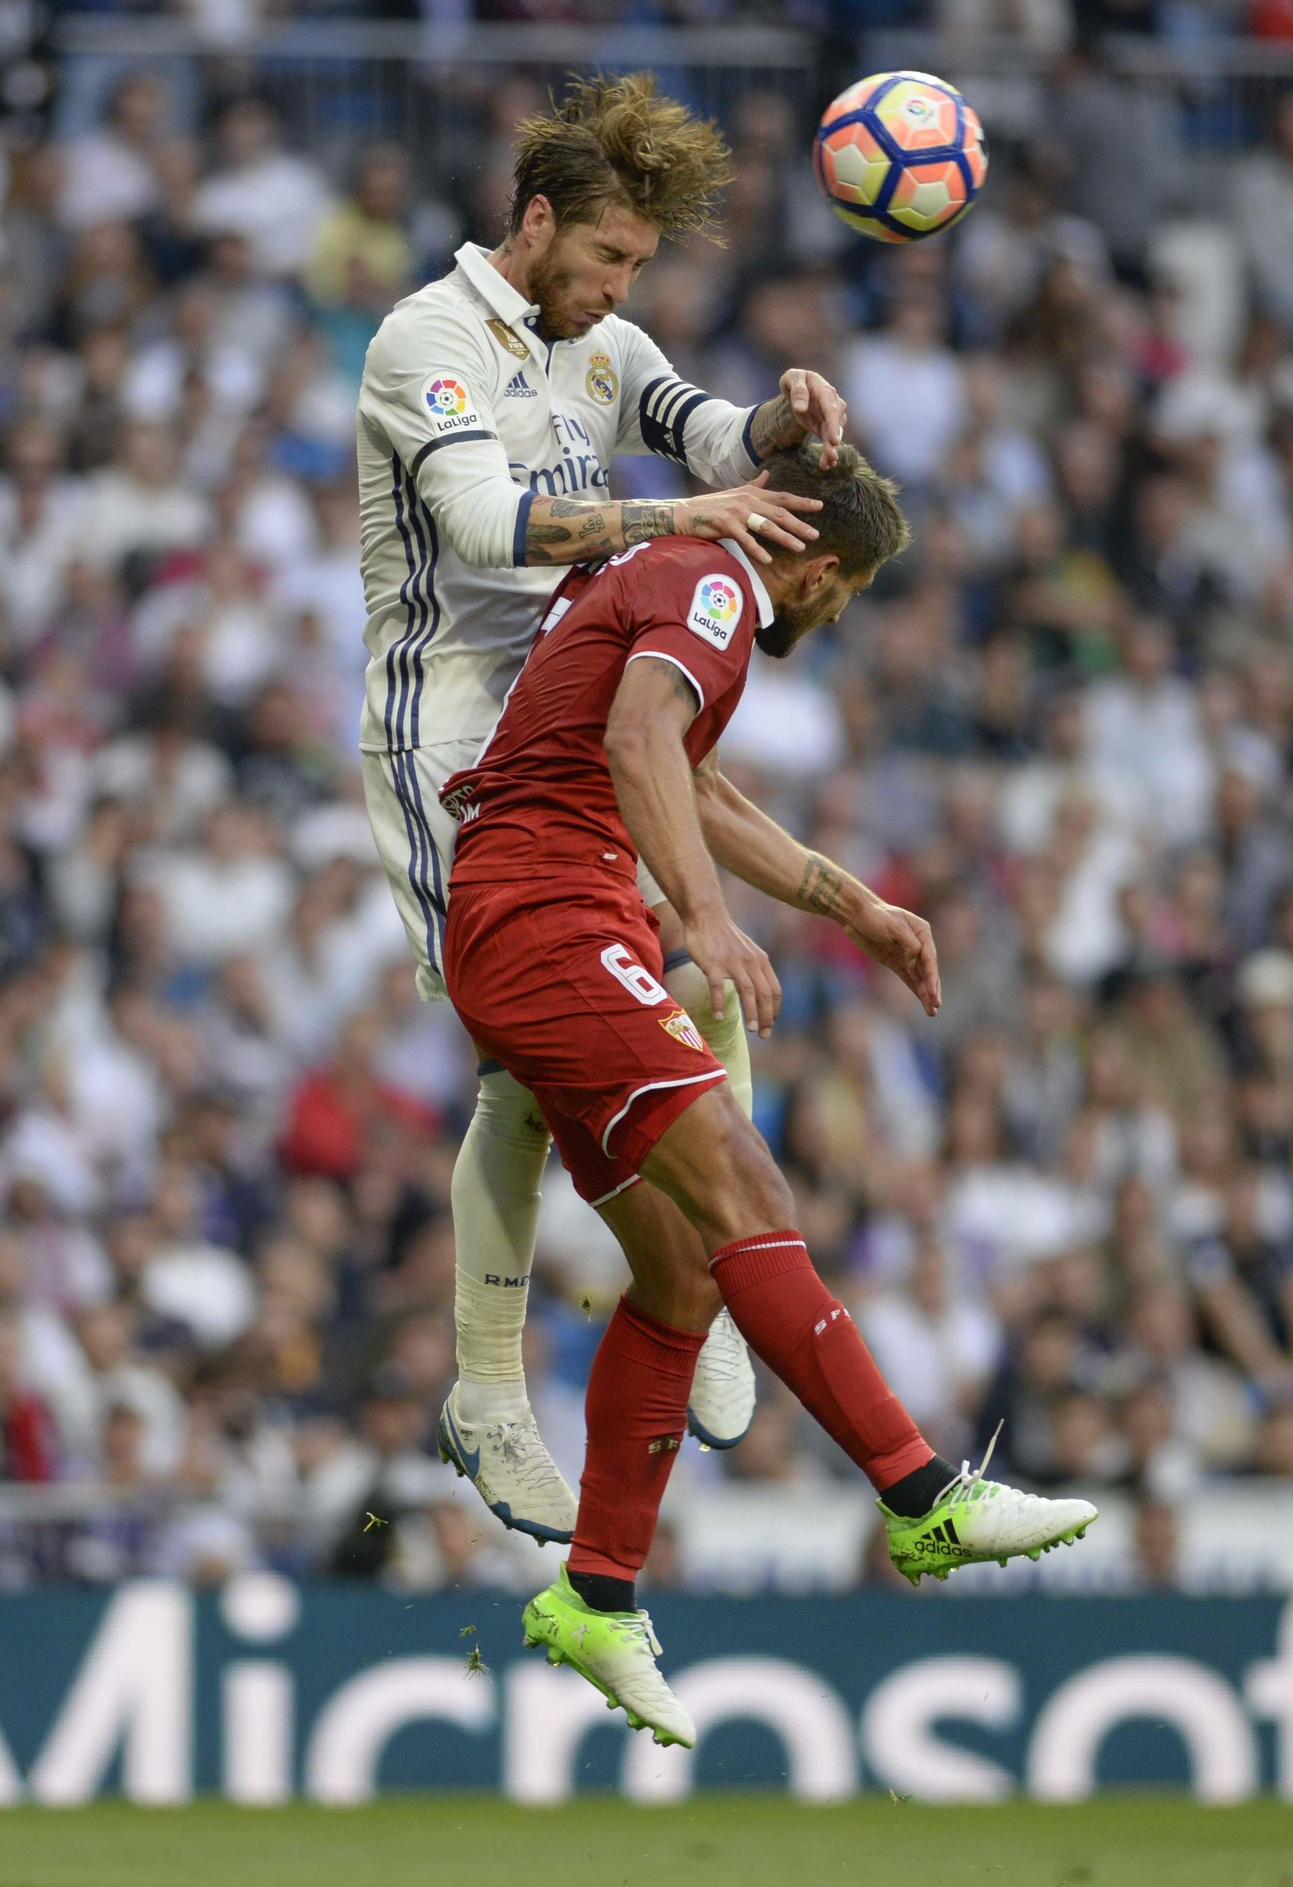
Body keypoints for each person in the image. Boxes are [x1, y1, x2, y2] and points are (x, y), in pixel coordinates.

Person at [441, 442, 1098, 1747]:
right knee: (753, 1190)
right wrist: (708, 920)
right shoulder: (721, 586)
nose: (831, 619)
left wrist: (854, 905)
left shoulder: (659, 573)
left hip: (532, 915)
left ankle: (601, 1596)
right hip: (556, 915)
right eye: (841, 598)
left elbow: (695, 783)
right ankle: (923, 1500)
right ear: (817, 564)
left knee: (684, 1269)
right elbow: (640, 743)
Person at [356, 73, 855, 1545]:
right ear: (533, 221)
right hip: (447, 735)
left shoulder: (606, 342)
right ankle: (486, 1392)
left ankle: (701, 1270)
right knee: (521, 1058)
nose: (620, 289)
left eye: (637, 267)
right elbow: (486, 525)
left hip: (572, 718)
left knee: (688, 965)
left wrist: (784, 415)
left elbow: (714, 442)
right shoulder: (425, 342)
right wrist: (673, 520)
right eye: (605, 260)